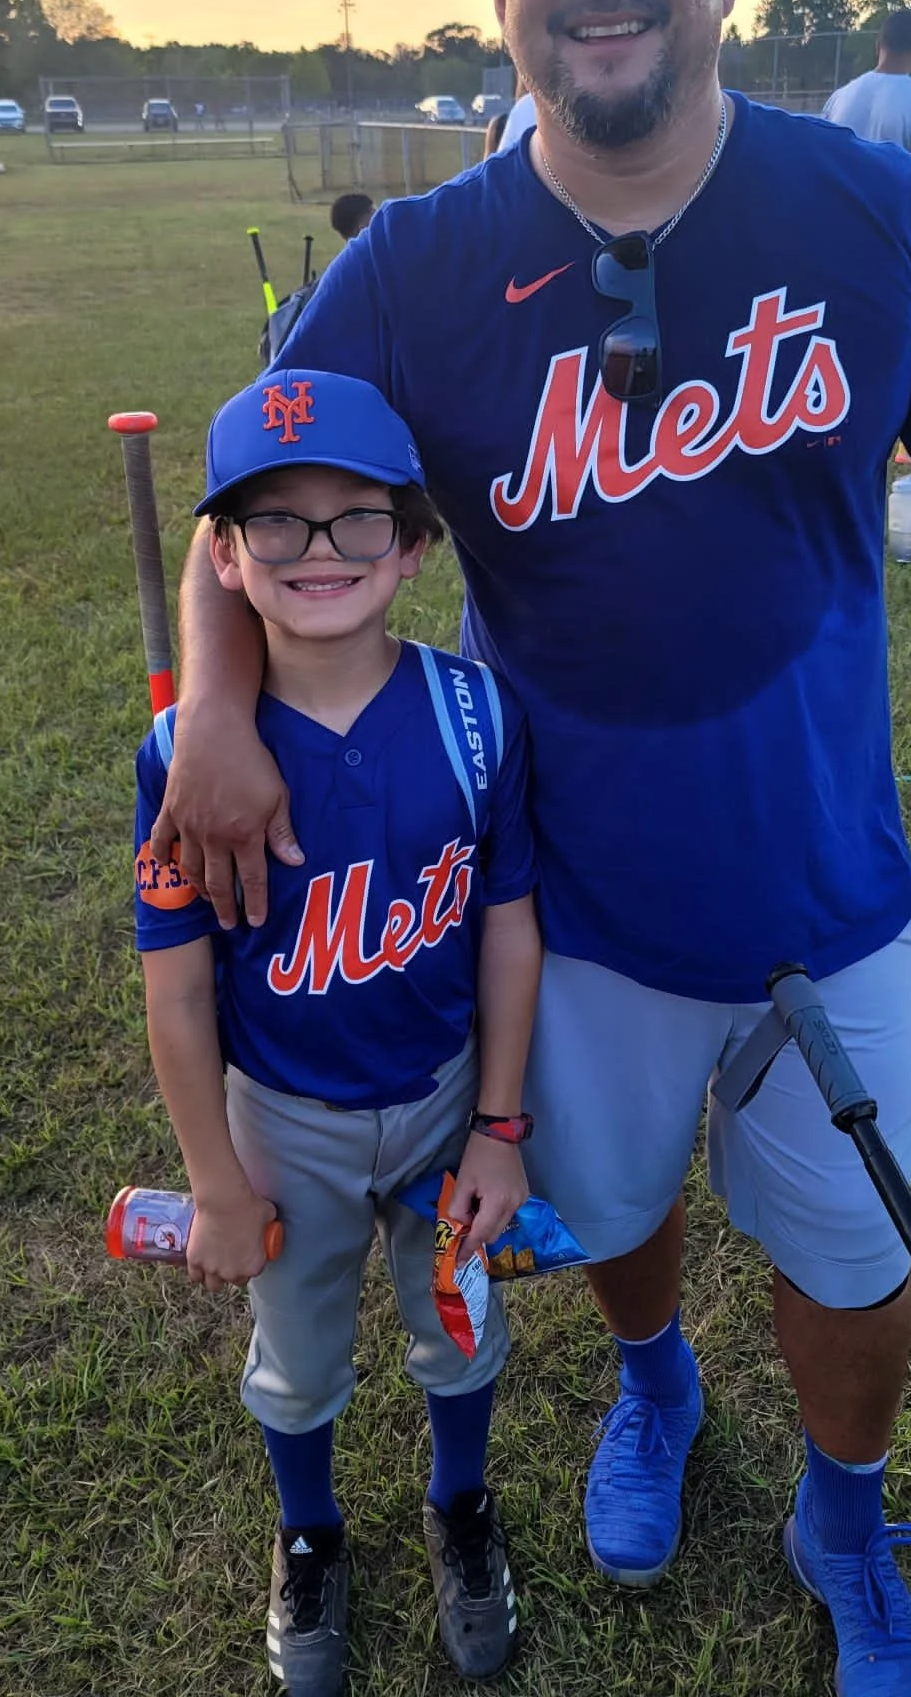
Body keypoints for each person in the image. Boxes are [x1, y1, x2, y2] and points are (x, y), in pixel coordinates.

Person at [153, 0, 911, 1697]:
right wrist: (219, 710)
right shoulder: (413, 273)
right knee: (625, 1207)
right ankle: (654, 1391)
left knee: (849, 1260)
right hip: (562, 910)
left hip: (834, 892)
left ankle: (844, 1516)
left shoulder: (874, 211)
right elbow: (242, 506)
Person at [134, 370, 541, 1694]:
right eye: (279, 526)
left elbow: (507, 928)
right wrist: (211, 1179)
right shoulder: (185, 756)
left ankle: (461, 1507)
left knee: (459, 1322)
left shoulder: (477, 718)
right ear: (231, 561)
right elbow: (181, 980)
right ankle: (308, 1533)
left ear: (414, 546)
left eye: (356, 521)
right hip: (284, 1120)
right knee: (298, 1354)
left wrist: (498, 1129)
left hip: (442, 1098)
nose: (321, 554)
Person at [822, 10, 911, 178]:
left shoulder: (839, 98)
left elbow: (823, 159)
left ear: (878, 46)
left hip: (839, 201)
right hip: (890, 203)